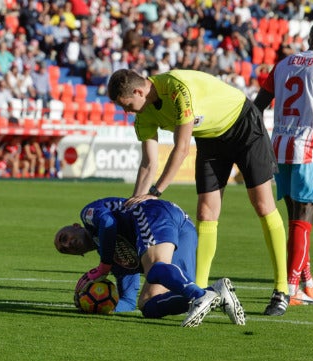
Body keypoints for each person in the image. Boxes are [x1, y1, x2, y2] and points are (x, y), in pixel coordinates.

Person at [106, 69, 288, 316]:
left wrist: (156, 191)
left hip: (243, 125)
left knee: (263, 204)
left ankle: (281, 289)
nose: (127, 112)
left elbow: (181, 149)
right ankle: (202, 293)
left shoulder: (176, 89)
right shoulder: (143, 115)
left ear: (139, 91)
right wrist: (135, 203)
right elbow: (148, 163)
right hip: (210, 137)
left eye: (127, 105)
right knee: (205, 211)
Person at [253, 21, 313, 306]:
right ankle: (290, 289)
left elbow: (258, 106)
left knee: (295, 217)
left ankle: (308, 281)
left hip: (279, 148)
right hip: (307, 149)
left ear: (309, 38)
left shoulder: (281, 65)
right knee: (304, 219)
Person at [54, 197, 245, 327]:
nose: (68, 244)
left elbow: (108, 223)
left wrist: (104, 266)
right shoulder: (117, 260)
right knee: (147, 304)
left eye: (64, 237)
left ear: (75, 227)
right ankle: (215, 292)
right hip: (182, 228)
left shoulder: (87, 215)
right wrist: (97, 307)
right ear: (78, 255)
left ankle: (199, 295)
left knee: (154, 269)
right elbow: (128, 300)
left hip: (152, 213)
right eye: (65, 250)